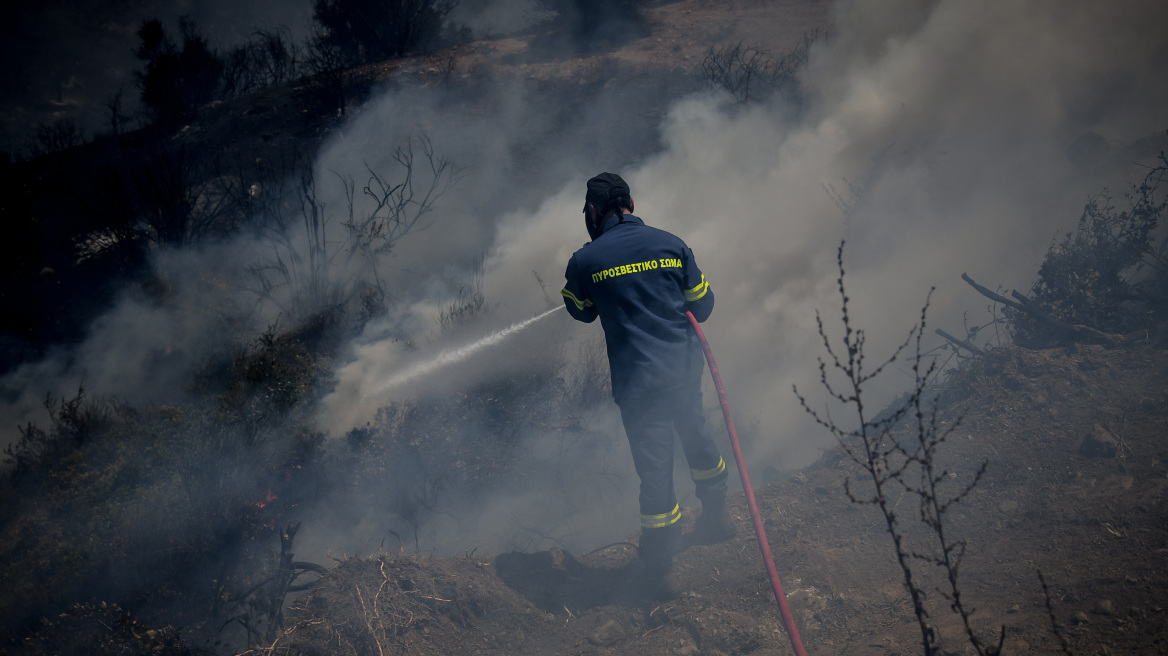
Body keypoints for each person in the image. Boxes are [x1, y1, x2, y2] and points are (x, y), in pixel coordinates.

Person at [560, 172, 735, 600]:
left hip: (638, 383)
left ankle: (658, 569)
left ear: (593, 212)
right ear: (632, 203)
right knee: (696, 434)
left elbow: (580, 311)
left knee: (655, 468)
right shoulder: (672, 245)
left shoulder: (586, 261)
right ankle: (717, 517)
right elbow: (704, 305)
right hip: (681, 371)